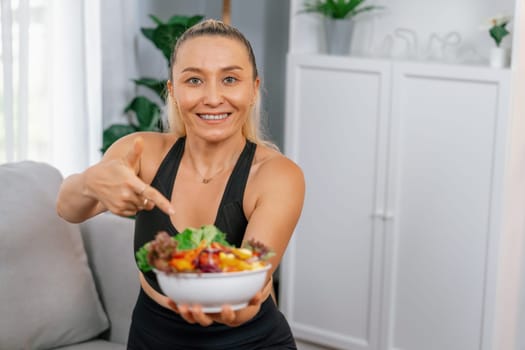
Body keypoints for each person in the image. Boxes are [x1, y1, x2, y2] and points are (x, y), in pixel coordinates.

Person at [56, 18, 305, 349]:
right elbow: (67, 209)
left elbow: (246, 301)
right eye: (194, 80)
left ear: (253, 88)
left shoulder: (277, 175)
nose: (213, 98)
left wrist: (237, 305)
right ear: (173, 89)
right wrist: (90, 182)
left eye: (230, 79)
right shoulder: (141, 153)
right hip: (151, 337)